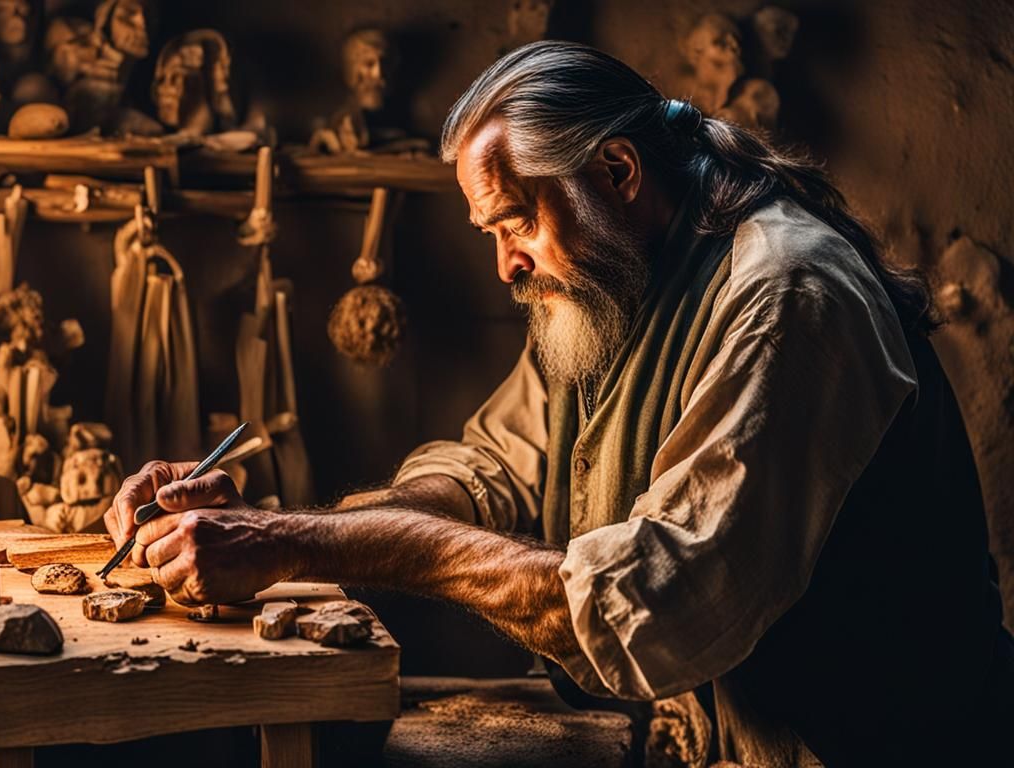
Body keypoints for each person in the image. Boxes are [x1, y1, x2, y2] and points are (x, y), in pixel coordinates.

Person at [103, 42, 1012, 765]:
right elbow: (484, 475)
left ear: (617, 172)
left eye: (517, 222)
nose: (505, 265)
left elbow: (649, 608)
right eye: (492, 232)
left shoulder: (786, 298)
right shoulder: (605, 282)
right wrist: (280, 530)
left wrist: (295, 544)